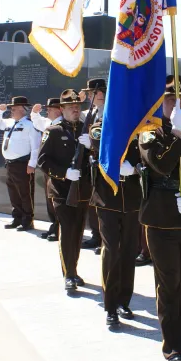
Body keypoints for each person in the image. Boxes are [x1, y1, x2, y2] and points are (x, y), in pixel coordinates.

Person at [138, 75, 181, 361]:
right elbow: (161, 164)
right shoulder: (149, 133)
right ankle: (174, 348)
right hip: (161, 218)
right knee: (167, 283)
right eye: (169, 99)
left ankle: (176, 331)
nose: (176, 104)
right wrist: (176, 132)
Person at [88, 115, 142, 328]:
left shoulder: (139, 126)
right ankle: (110, 306)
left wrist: (135, 165)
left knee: (129, 250)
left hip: (131, 199)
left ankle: (123, 301)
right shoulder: (99, 127)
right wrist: (119, 162)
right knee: (111, 251)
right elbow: (99, 146)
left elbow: (146, 154)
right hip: (107, 199)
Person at [38, 89, 93, 292]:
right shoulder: (53, 131)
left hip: (82, 189)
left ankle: (74, 269)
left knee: (78, 232)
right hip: (62, 190)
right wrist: (64, 173)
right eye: (71, 107)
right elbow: (43, 161)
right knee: (68, 231)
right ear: (62, 109)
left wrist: (92, 146)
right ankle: (68, 274)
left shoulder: (85, 130)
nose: (75, 110)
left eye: (77, 107)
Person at [0, 96, 40, 231]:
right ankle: (17, 218)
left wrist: (32, 164)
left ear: (22, 109)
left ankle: (27, 220)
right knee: (13, 192)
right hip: (10, 164)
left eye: (14, 109)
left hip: (23, 163)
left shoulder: (30, 125)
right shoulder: (9, 122)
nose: (11, 111)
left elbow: (35, 146)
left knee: (25, 194)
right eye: (11, 109)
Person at [32, 98, 63, 241]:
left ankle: (59, 229)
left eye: (50, 109)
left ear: (59, 110)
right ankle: (54, 225)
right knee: (49, 198)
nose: (47, 111)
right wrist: (34, 112)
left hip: (57, 167)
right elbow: (37, 121)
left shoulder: (64, 125)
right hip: (47, 167)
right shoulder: (48, 123)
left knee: (57, 199)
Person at [82, 78, 107, 253]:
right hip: (92, 163)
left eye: (97, 92)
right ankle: (96, 235)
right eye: (92, 93)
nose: (94, 96)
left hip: (106, 161)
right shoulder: (92, 113)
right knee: (93, 201)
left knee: (105, 203)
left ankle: (105, 239)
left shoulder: (111, 111)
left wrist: (92, 144)